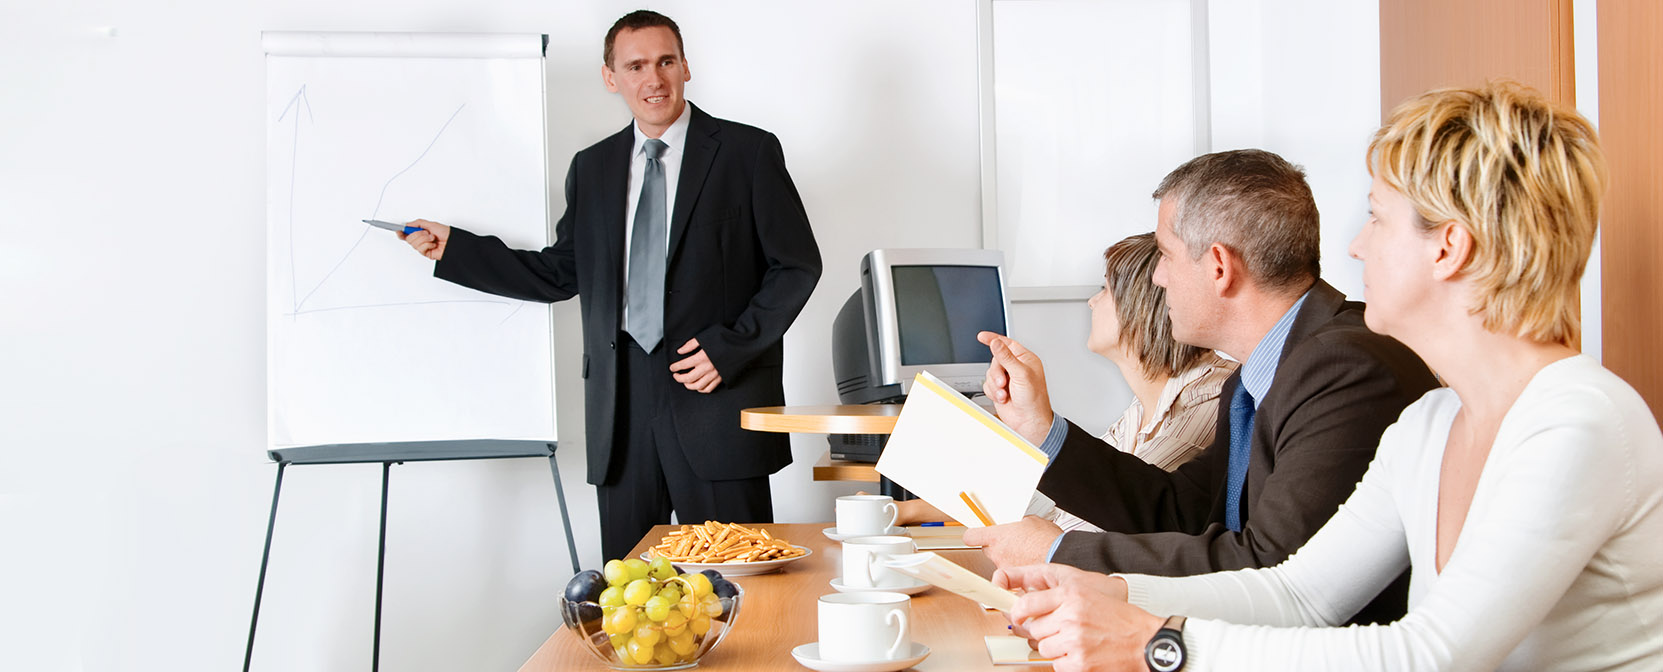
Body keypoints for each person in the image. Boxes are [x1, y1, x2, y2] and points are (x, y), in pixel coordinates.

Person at [996, 83, 1663, 671]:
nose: (1353, 245)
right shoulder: (1427, 426)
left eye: (1376, 217)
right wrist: (1111, 593)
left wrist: (1157, 644)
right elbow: (1296, 592)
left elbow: (1432, 655)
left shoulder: (1576, 420)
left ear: (1448, 247)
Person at [399, 10, 821, 560]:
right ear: (611, 77)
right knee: (632, 600)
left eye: (666, 61)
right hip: (621, 415)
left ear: (686, 67)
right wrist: (457, 248)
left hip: (716, 401)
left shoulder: (748, 153)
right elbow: (561, 272)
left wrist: (731, 348)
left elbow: (796, 265)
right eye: (637, 65)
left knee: (739, 590)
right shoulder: (592, 169)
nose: (654, 79)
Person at [965, 149, 1440, 626]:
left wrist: (1060, 551)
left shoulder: (1344, 369)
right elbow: (1180, 508)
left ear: (1218, 266)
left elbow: (1271, 567)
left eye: (1166, 256)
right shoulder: (1257, 377)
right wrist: (1040, 428)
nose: (1157, 277)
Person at [886, 233, 1237, 531]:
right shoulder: (1140, 411)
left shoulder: (1210, 399)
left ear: (1140, 305)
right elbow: (1060, 500)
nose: (1091, 301)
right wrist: (905, 511)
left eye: (1105, 289)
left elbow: (1101, 521)